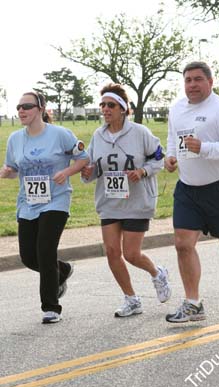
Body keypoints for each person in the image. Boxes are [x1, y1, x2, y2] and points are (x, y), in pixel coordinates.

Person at [164, 61, 219, 323]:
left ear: (210, 82)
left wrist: (204, 148)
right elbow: (173, 139)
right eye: (188, 80)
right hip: (188, 189)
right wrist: (170, 157)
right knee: (182, 244)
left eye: (198, 79)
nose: (192, 85)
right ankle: (193, 303)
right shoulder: (176, 109)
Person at [81, 83, 171, 317]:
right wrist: (88, 173)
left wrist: (142, 172)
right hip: (110, 201)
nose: (105, 109)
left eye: (110, 105)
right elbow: (94, 167)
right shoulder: (97, 135)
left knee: (131, 254)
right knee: (112, 252)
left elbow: (158, 159)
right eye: (102, 105)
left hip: (136, 201)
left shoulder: (140, 133)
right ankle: (131, 299)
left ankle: (157, 273)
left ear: (123, 108)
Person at [0, 91, 89, 324]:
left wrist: (67, 171)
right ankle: (63, 271)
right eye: (19, 107)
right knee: (29, 257)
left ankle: (51, 307)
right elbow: (12, 169)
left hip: (56, 200)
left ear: (40, 108)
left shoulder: (60, 134)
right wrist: (7, 173)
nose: (21, 111)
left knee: (45, 251)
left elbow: (83, 157)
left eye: (27, 106)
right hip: (27, 203)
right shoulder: (15, 139)